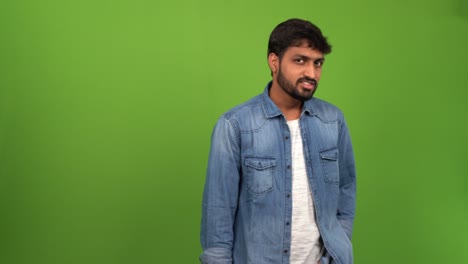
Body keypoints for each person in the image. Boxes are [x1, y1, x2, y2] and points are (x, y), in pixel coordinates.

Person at [200, 18, 356, 264]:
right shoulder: (235, 125)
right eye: (300, 60)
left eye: (318, 63)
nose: (311, 73)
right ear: (274, 62)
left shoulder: (332, 120)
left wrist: (338, 247)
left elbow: (346, 191)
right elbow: (218, 215)